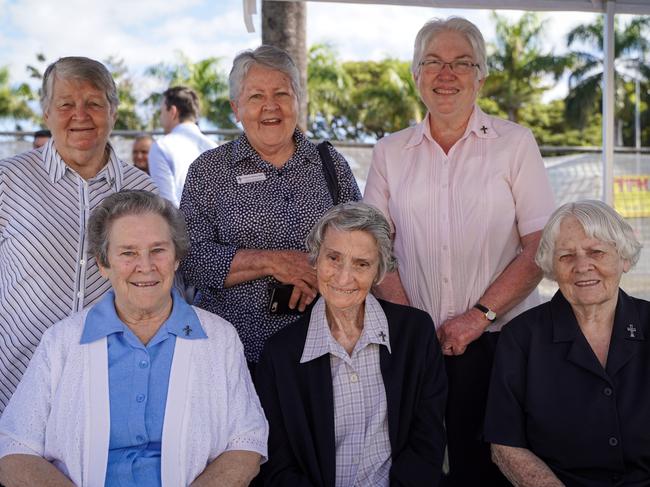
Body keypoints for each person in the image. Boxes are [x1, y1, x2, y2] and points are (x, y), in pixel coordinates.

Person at [362, 16, 555, 486]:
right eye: (432, 62)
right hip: (414, 344)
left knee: (489, 468)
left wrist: (479, 316)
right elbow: (374, 244)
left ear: (481, 76)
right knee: (416, 465)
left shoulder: (515, 144)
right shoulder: (390, 151)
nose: (445, 74)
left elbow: (540, 245)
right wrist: (412, 324)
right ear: (415, 75)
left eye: (460, 63)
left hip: (498, 340)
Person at [0, 190, 268, 487]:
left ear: (177, 257)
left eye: (158, 250)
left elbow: (247, 442)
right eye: (128, 253)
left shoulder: (219, 338)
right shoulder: (62, 340)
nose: (146, 266)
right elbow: (15, 448)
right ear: (103, 264)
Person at [180, 45, 361, 369]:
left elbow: (361, 246)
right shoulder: (208, 170)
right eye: (255, 97)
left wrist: (322, 270)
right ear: (236, 107)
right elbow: (190, 258)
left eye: (281, 93)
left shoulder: (330, 164)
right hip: (234, 355)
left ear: (297, 101)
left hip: (323, 351)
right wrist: (274, 262)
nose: (270, 107)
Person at [0, 56, 156, 412]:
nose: (80, 115)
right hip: (14, 385)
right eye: (66, 104)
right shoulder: (7, 180)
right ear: (46, 114)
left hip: (108, 391)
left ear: (112, 112)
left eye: (94, 104)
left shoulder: (144, 191)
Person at [256, 202, 447, 486]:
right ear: (316, 258)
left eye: (362, 264)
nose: (344, 277)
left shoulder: (415, 333)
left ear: (379, 271)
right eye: (333, 258)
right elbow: (277, 462)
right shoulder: (280, 354)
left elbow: (427, 441)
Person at [484, 200, 646, 486]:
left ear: (623, 257)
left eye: (596, 252)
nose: (583, 266)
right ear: (551, 266)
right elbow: (505, 445)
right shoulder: (521, 338)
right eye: (566, 256)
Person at [148, 86, 216, 206]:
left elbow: (167, 205)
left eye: (162, 111)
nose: (160, 117)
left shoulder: (161, 147)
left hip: (180, 223)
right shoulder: (214, 147)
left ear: (173, 112)